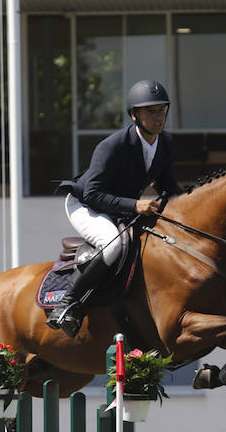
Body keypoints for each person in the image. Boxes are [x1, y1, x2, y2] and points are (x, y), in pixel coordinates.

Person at [47, 79, 181, 336]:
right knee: (113, 245)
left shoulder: (165, 143)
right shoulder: (112, 146)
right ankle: (67, 303)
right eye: (150, 111)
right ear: (134, 115)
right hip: (85, 204)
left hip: (121, 207)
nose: (158, 116)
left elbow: (170, 186)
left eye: (162, 109)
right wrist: (135, 205)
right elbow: (93, 193)